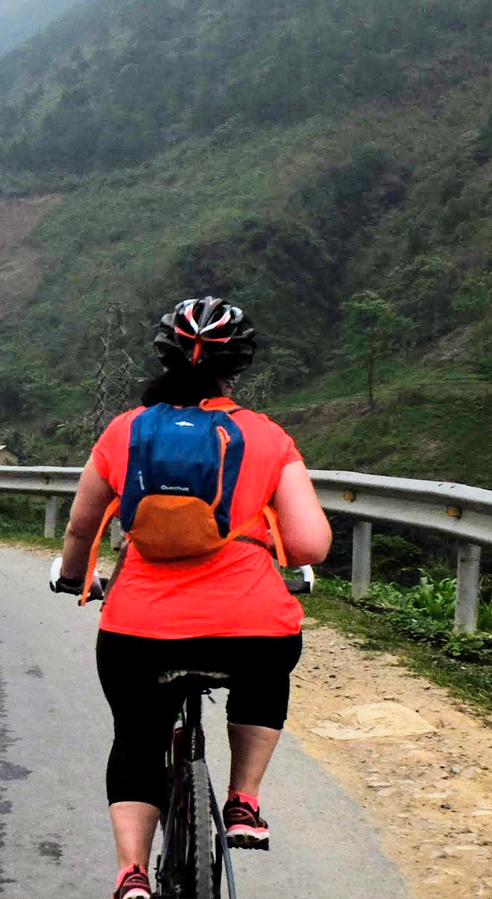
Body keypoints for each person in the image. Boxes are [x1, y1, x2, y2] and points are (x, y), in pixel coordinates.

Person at [50, 296, 332, 899]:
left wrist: (75, 577)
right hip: (250, 626)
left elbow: (80, 529)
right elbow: (309, 545)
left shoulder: (126, 430)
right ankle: (243, 802)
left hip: (137, 631)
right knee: (268, 663)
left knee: (137, 735)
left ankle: (131, 876)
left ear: (166, 356)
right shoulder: (267, 437)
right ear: (238, 365)